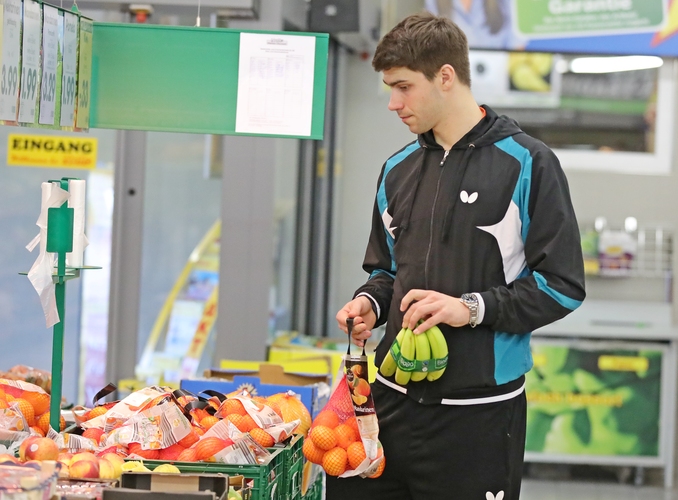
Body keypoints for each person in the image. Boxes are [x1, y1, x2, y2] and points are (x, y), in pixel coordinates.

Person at [330, 12, 585, 500]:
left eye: (403, 87)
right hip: (391, 406)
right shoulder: (397, 170)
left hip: (480, 417)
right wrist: (370, 303)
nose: (392, 103)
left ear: (446, 76)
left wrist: (469, 308)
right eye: (389, 88)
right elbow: (386, 271)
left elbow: (562, 286)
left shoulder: (528, 164)